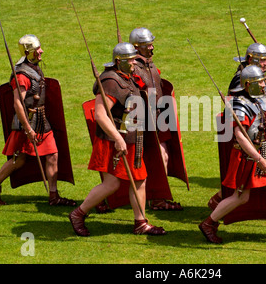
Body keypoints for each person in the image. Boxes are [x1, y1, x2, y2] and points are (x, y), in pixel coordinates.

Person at [69, 42, 166, 237]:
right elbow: (100, 114)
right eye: (130, 60)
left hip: (132, 138)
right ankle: (78, 214)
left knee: (134, 181)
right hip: (116, 140)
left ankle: (139, 222)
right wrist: (117, 139)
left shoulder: (127, 76)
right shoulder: (111, 81)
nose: (134, 63)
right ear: (118, 61)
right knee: (118, 183)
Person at [199, 65, 266, 244]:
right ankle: (209, 223)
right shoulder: (240, 106)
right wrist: (258, 158)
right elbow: (240, 137)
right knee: (241, 197)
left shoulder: (256, 99)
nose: (264, 85)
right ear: (248, 84)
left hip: (262, 150)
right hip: (247, 157)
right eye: (259, 81)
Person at [0, 34, 76, 206]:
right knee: (18, 159)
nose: (41, 51)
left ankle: (53, 195)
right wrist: (28, 129)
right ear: (28, 52)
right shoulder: (21, 76)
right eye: (37, 50)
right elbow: (18, 103)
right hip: (27, 122)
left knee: (52, 155)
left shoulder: (34, 67)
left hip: (41, 120)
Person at [129, 27, 185, 211]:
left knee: (164, 157)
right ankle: (156, 199)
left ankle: (158, 197)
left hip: (159, 119)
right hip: (143, 122)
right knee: (153, 159)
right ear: (137, 47)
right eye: (148, 45)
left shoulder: (149, 64)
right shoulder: (132, 66)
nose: (152, 47)